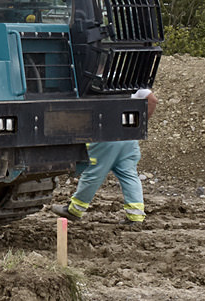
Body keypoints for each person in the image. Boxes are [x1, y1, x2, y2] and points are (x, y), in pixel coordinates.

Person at [61, 89, 158, 228]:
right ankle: (136, 216)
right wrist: (139, 125)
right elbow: (152, 99)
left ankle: (75, 210)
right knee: (129, 174)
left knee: (93, 173)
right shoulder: (130, 83)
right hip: (128, 136)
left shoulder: (96, 84)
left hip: (105, 136)